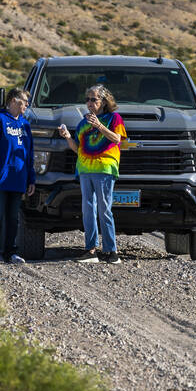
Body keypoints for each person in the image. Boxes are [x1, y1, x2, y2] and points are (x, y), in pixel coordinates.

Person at [58, 84, 127, 264]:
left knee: (104, 209)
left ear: (103, 101)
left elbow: (117, 139)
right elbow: (78, 149)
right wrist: (67, 137)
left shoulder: (114, 118)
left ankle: (112, 252)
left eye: (94, 99)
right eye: (87, 99)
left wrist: (99, 125)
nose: (89, 103)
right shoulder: (83, 123)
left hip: (104, 168)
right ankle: (91, 250)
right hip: (85, 169)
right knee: (88, 210)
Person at [0, 87, 35, 263]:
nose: (27, 105)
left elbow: (29, 154)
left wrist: (31, 178)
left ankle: (11, 252)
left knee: (13, 217)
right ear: (13, 101)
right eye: (24, 101)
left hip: (18, 178)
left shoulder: (25, 125)